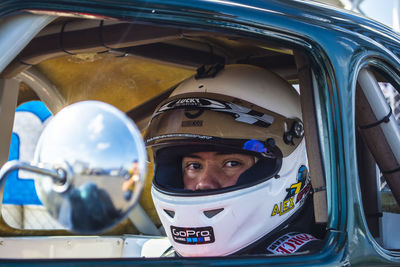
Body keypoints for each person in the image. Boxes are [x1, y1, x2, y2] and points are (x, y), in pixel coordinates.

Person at [145, 64, 324, 257]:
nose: (204, 183)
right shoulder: (166, 258)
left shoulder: (315, 259)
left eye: (231, 163)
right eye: (194, 166)